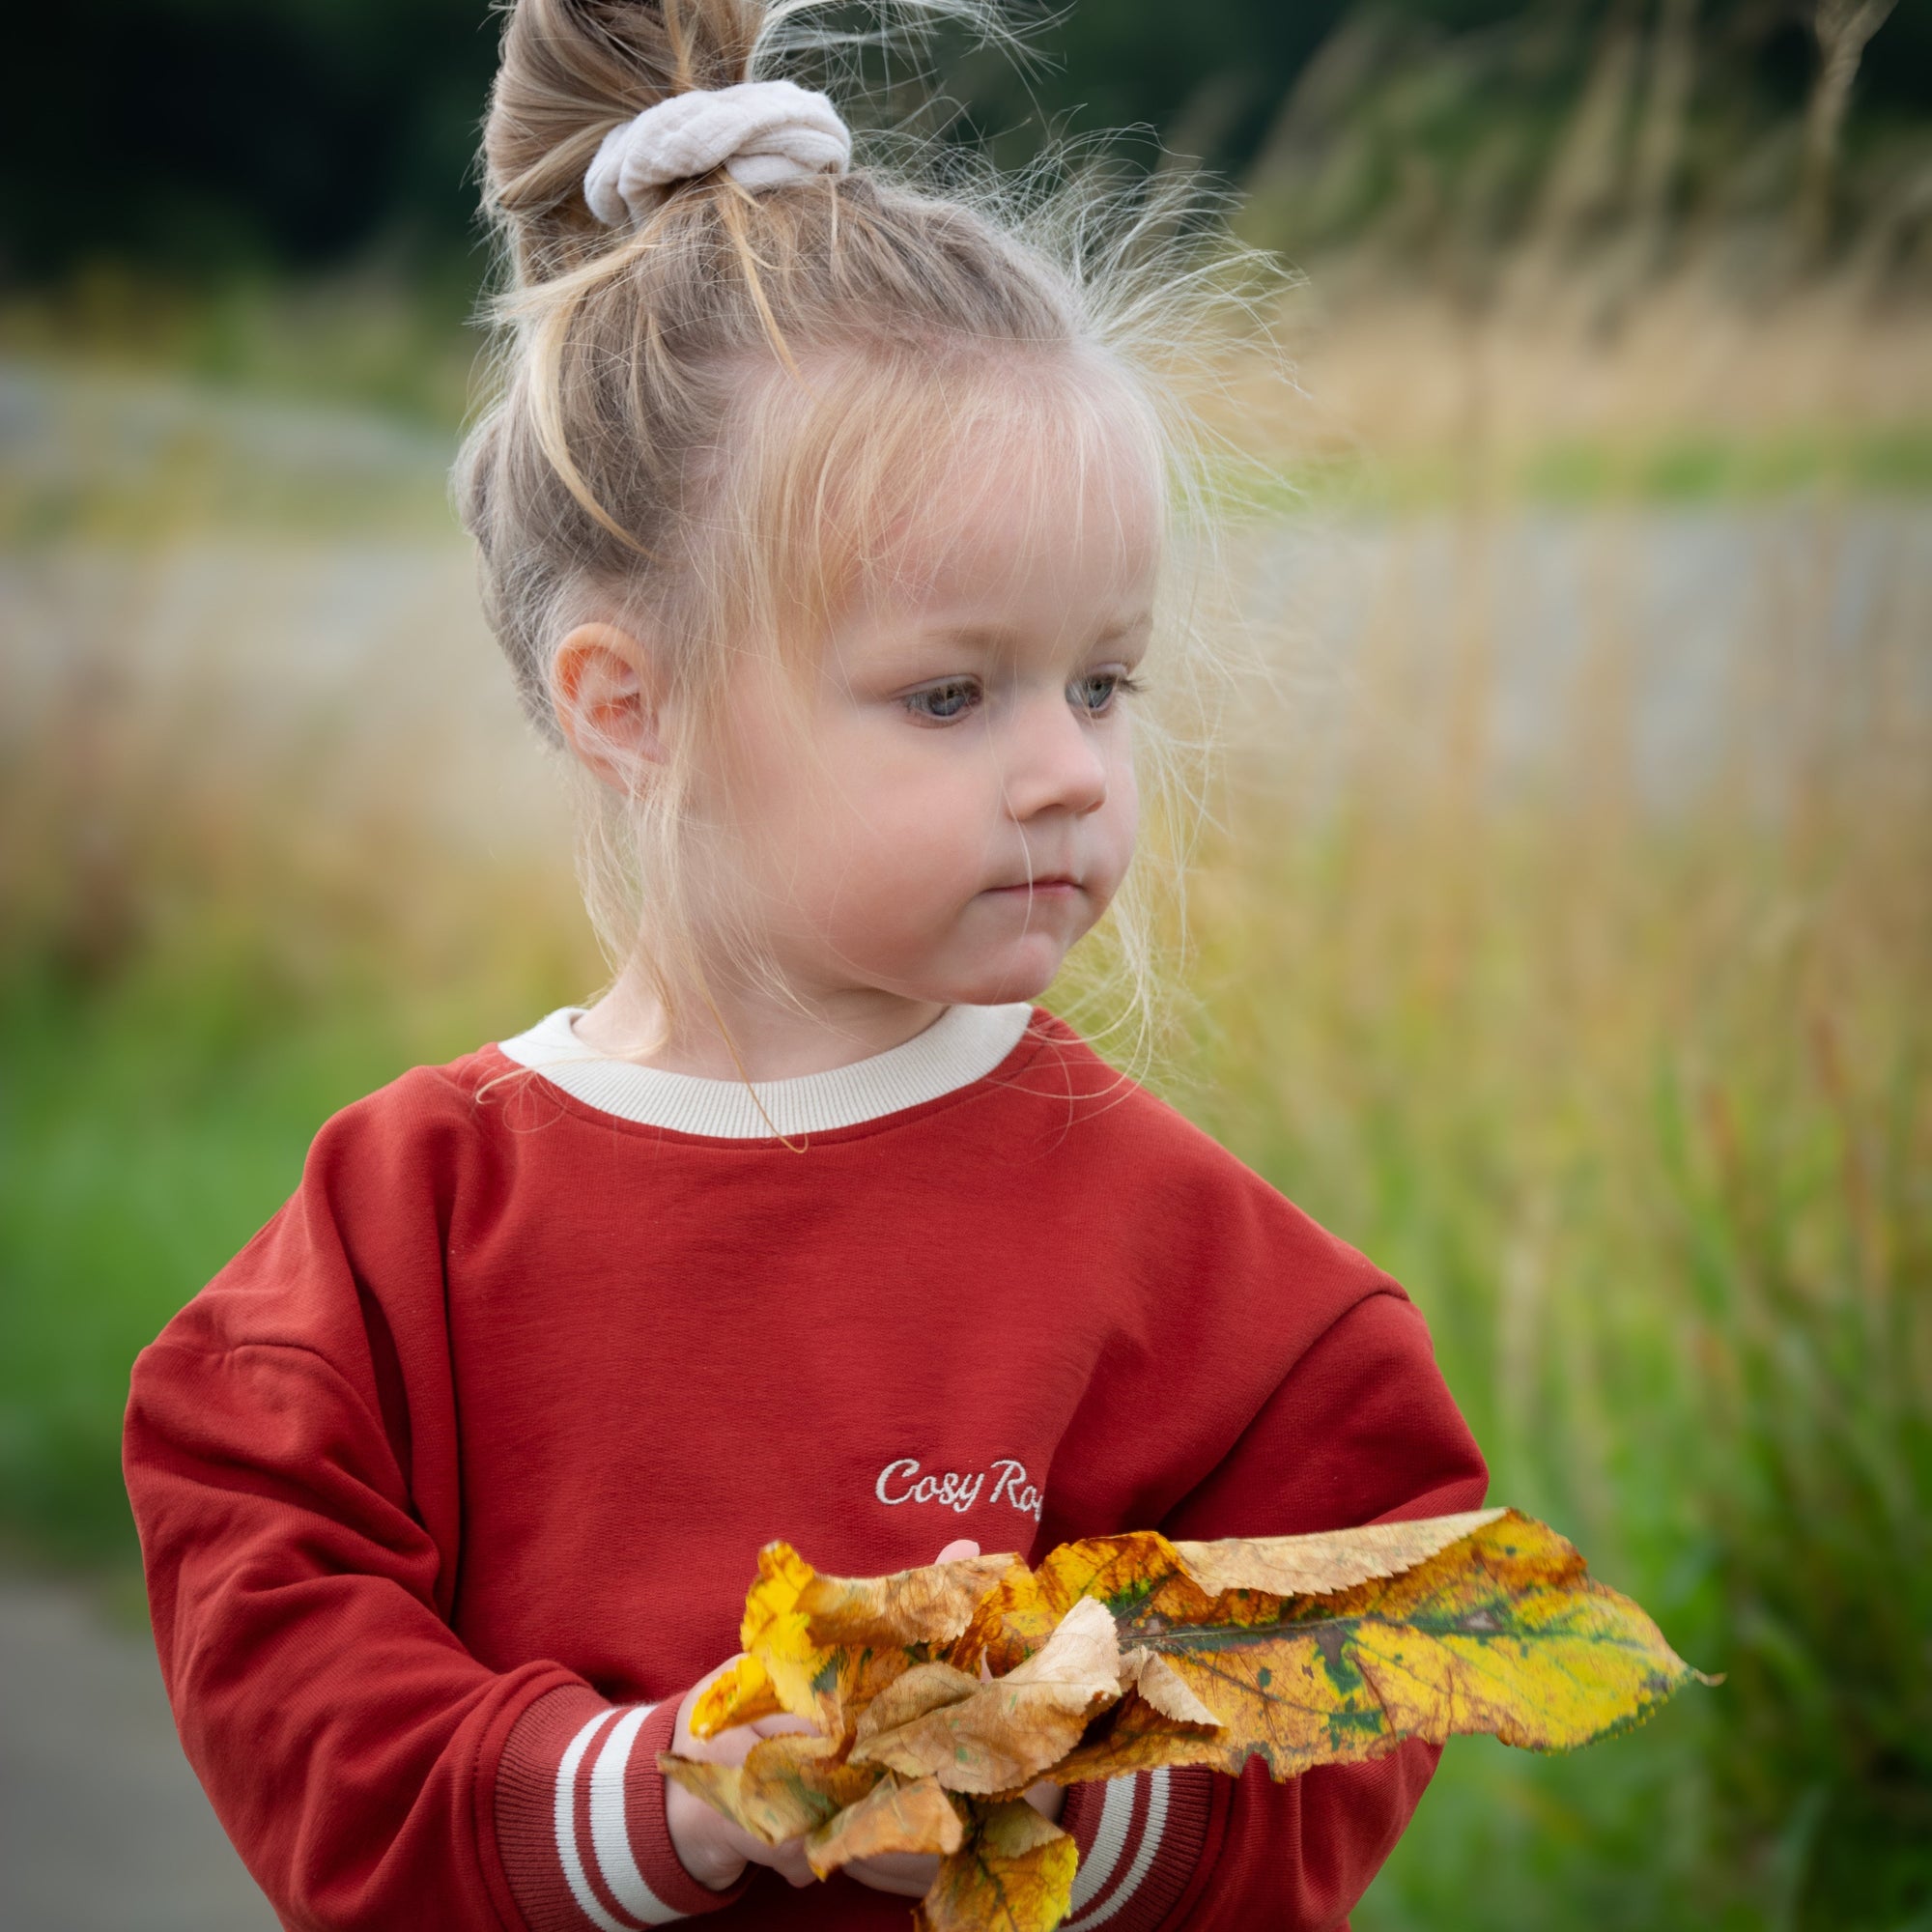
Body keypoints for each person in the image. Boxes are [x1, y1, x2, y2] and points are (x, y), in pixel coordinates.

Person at [122, 2, 1489, 1927]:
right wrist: (656, 1791)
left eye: (1103, 680)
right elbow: (268, 1607)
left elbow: (1384, 1622)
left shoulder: (1206, 1281)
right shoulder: (411, 1220)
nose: (1070, 770)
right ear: (629, 702)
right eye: (951, 692)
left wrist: (1064, 1789)